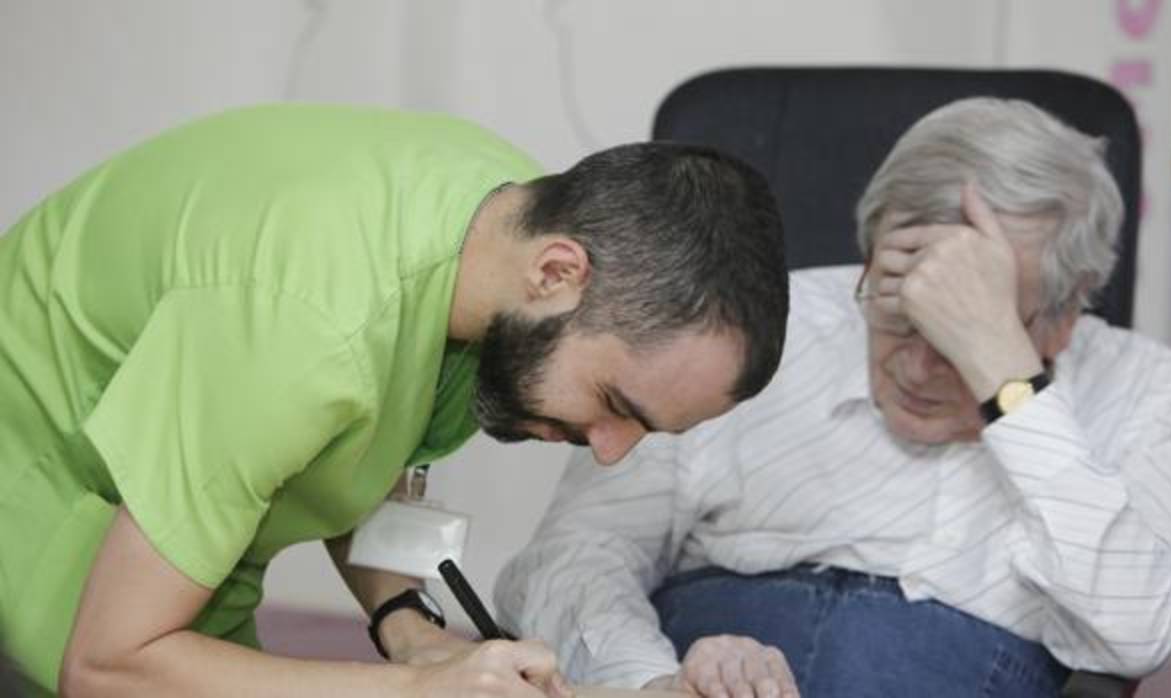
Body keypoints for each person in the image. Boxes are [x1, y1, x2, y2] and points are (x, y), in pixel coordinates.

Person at [0, 103, 789, 696]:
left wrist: (407, 629)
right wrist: (415, 689)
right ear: (557, 273)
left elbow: (369, 436)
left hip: (177, 522)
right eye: (617, 401)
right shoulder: (304, 331)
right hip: (40, 485)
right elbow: (108, 663)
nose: (612, 449)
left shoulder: (502, 219)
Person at [496, 98, 1171, 698]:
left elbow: (1140, 632)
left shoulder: (1159, 397)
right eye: (900, 310)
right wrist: (651, 679)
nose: (921, 365)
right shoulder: (738, 336)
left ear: (1068, 316)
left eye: (964, 328)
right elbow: (571, 558)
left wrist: (1005, 376)